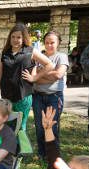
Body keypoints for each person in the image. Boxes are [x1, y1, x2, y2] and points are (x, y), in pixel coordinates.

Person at [0, 23, 54, 131]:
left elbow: (50, 65)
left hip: (23, 97)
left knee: (20, 128)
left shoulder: (30, 51)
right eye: (13, 37)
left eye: (19, 37)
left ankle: (20, 148)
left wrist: (35, 78)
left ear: (24, 38)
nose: (15, 40)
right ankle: (9, 147)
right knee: (6, 126)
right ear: (10, 38)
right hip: (6, 96)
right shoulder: (4, 53)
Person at [26, 30, 69, 160]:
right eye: (47, 42)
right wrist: (46, 74)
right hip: (38, 96)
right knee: (39, 126)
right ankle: (42, 153)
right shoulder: (39, 56)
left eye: (52, 42)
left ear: (58, 43)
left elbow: (58, 75)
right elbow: (33, 77)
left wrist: (40, 74)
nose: (49, 45)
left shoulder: (61, 56)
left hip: (54, 96)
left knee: (52, 126)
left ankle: (53, 155)